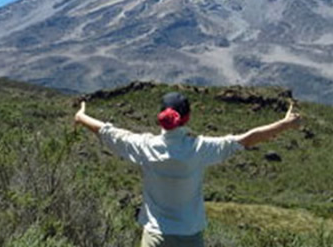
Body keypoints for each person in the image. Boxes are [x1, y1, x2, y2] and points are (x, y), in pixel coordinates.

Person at [73, 92, 302, 247]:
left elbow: (107, 132)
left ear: (161, 118)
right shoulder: (199, 148)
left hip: (155, 237)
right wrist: (286, 124)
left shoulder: (144, 146)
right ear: (187, 117)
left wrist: (81, 116)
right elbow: (247, 139)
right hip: (190, 236)